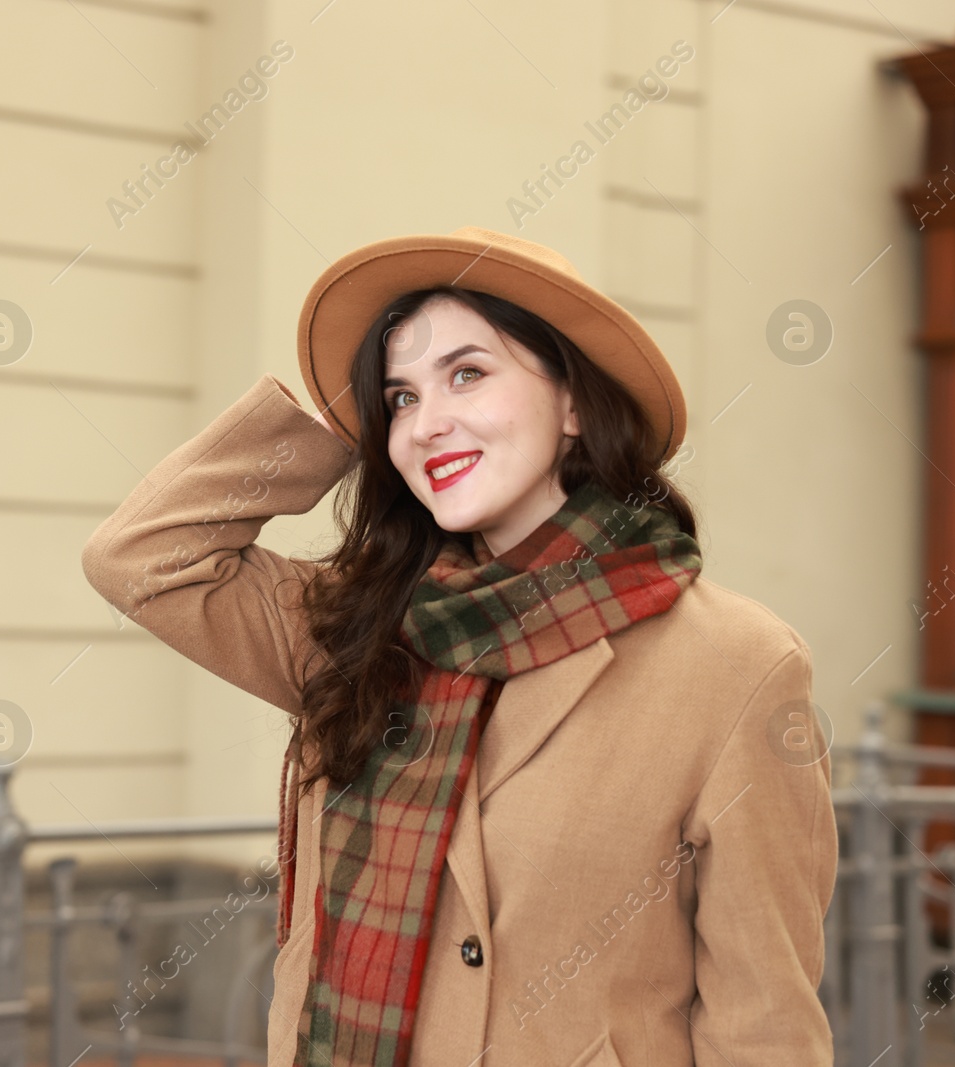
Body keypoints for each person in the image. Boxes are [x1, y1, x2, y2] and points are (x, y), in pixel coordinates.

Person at [81, 225, 837, 1067]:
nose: (426, 423)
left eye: (467, 374)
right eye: (401, 397)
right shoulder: (358, 624)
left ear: (575, 401)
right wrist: (341, 423)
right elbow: (141, 555)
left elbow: (764, 1023)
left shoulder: (737, 665)